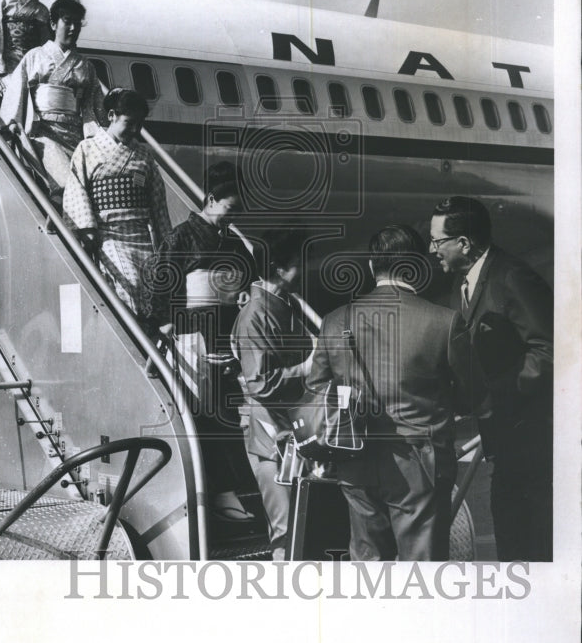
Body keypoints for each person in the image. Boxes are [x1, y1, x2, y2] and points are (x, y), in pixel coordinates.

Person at [308, 225, 486, 561]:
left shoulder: (335, 320)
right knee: (421, 568)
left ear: (371, 267)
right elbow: (472, 396)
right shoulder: (444, 322)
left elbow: (317, 388)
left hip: (355, 459)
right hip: (420, 463)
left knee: (368, 564)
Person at [430, 196, 553, 560]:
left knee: (529, 546)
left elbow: (549, 350)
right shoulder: (464, 283)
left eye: (437, 241)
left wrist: (494, 396)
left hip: (531, 442)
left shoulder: (512, 277)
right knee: (511, 540)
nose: (432, 249)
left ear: (463, 243)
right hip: (506, 441)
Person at [143, 162, 259, 521]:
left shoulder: (234, 243)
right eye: (230, 208)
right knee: (204, 413)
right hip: (192, 334)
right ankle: (216, 494)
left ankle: (234, 489)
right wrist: (164, 324)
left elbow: (251, 280)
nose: (233, 216)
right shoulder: (181, 238)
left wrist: (245, 293)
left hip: (227, 331)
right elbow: (158, 283)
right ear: (210, 200)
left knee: (229, 412)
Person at [230, 232, 315, 559]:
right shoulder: (255, 314)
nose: (304, 270)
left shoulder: (281, 305)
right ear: (279, 269)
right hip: (269, 431)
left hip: (288, 426)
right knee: (286, 528)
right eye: (298, 265)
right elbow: (260, 383)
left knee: (298, 523)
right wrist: (306, 367)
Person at [63, 88, 171, 320]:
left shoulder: (143, 154)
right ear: (111, 115)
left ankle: (148, 336)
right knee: (129, 284)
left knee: (151, 287)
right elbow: (76, 188)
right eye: (129, 123)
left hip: (141, 235)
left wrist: (165, 240)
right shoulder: (87, 148)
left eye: (139, 125)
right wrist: (87, 228)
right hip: (109, 235)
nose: (134, 130)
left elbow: (158, 202)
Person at [0, 0, 105, 191]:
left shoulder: (85, 66)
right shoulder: (35, 56)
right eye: (67, 22)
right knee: (67, 183)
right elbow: (17, 92)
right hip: (42, 133)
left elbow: (93, 105)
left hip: (75, 135)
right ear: (54, 24)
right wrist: (12, 122)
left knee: (87, 183)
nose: (73, 28)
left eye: (77, 23)